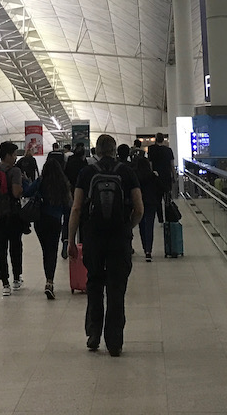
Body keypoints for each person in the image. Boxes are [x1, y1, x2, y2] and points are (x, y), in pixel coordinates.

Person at [68, 134, 143, 356]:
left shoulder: (87, 173)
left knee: (94, 283)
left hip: (93, 237)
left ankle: (93, 334)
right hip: (119, 238)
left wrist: (70, 240)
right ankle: (114, 342)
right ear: (114, 150)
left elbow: (76, 208)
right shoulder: (127, 172)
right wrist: (127, 227)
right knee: (116, 287)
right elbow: (139, 208)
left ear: (97, 151)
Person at [29, 153, 72, 299]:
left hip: (40, 221)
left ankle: (48, 278)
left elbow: (27, 192)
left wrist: (25, 181)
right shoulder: (63, 183)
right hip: (55, 221)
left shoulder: (41, 181)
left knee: (45, 250)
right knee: (52, 251)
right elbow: (68, 207)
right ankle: (49, 281)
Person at [0, 141, 27, 295]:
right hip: (12, 215)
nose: (15, 158)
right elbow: (16, 192)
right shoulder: (15, 171)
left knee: (0, 248)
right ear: (7, 155)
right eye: (14, 154)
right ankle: (16, 278)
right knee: (15, 246)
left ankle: (5, 283)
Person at [62, 143, 89, 257]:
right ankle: (81, 245)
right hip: (81, 195)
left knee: (67, 219)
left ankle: (66, 242)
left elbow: (65, 177)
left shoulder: (69, 162)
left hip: (69, 194)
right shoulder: (84, 164)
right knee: (82, 220)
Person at [134, 153, 160, 262]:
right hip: (151, 203)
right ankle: (148, 251)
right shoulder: (153, 175)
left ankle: (145, 247)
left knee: (142, 226)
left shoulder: (135, 176)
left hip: (139, 202)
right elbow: (160, 188)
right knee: (149, 226)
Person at [147, 132, 175, 198]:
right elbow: (172, 165)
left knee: (157, 196)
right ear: (163, 139)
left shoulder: (151, 149)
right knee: (167, 195)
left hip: (156, 175)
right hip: (166, 175)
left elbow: (150, 163)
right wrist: (174, 175)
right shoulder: (168, 150)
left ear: (156, 139)